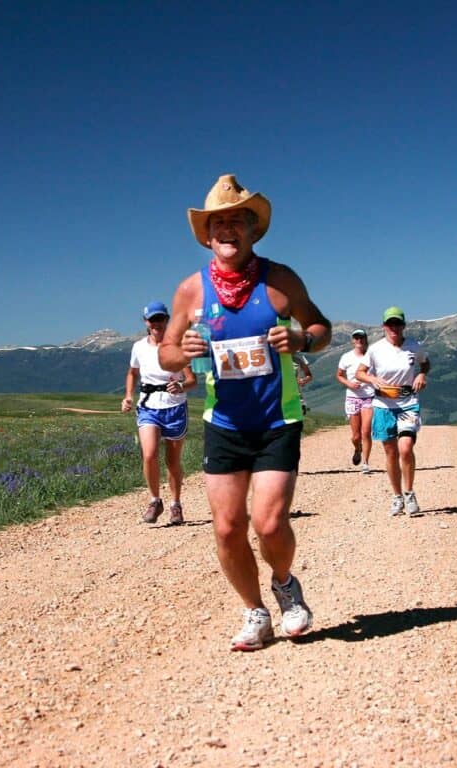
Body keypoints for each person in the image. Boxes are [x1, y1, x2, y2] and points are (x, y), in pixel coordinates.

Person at [160, 174, 332, 651]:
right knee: (227, 527)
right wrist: (183, 350)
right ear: (207, 235)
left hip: (278, 421)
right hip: (225, 424)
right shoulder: (190, 292)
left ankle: (284, 584)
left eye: (238, 221)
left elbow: (321, 327)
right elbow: (167, 353)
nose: (227, 230)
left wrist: (301, 340)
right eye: (218, 223)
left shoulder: (280, 280)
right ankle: (255, 612)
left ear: (254, 230)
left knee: (270, 524)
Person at [122, 301, 197, 525]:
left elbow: (192, 380)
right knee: (149, 454)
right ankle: (155, 501)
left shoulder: (178, 346)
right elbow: (132, 373)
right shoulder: (138, 347)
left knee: (172, 461)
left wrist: (182, 386)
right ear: (146, 322)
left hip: (174, 406)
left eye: (160, 319)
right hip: (148, 405)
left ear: (167, 320)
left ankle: (175, 505)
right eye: (152, 320)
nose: (157, 324)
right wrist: (128, 395)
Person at [356, 307, 430, 516]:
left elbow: (425, 364)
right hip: (383, 405)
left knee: (405, 448)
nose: (394, 328)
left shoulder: (413, 346)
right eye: (390, 324)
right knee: (390, 452)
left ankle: (409, 493)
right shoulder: (376, 350)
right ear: (384, 327)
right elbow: (359, 373)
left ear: (404, 326)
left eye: (398, 324)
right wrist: (372, 379)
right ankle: (397, 496)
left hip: (408, 402)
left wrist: (421, 375)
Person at [336, 329, 374, 473]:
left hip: (369, 397)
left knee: (366, 432)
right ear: (352, 340)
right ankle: (357, 448)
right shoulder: (346, 357)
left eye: (361, 337)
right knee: (356, 436)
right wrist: (349, 383)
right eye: (356, 338)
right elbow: (339, 375)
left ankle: (366, 462)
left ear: (365, 339)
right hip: (352, 397)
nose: (359, 340)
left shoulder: (372, 356)